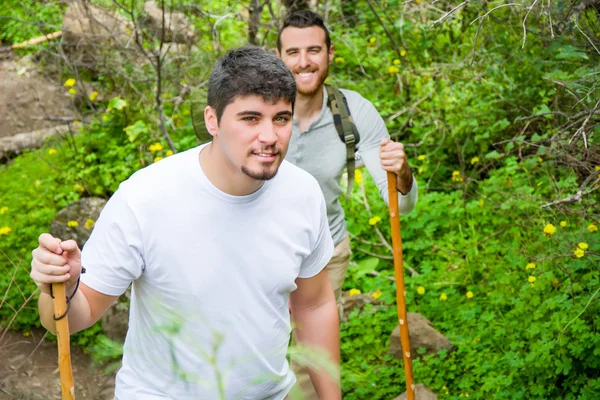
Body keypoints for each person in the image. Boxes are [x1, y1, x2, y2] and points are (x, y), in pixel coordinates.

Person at [30, 46, 342, 400]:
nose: (269, 136)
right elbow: (71, 319)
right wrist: (60, 287)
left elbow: (314, 304)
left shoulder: (302, 193)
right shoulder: (145, 198)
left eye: (281, 119)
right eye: (251, 118)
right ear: (213, 120)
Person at [275, 10, 419, 398]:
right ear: (278, 56)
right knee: (257, 350)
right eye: (293, 51)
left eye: (313, 50)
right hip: (259, 249)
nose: (304, 61)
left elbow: (399, 206)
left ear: (330, 53)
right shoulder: (260, 110)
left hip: (325, 251)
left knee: (308, 361)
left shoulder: (353, 113)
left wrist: (401, 174)